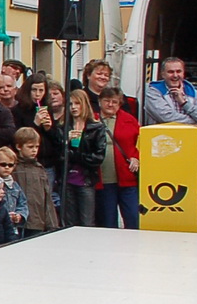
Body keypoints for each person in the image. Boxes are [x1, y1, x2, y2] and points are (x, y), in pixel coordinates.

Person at [56, 90, 105, 227]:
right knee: (69, 222)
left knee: (87, 221)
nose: (74, 107)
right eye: (70, 104)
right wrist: (66, 142)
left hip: (86, 180)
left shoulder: (96, 127)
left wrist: (76, 154)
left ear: (84, 105)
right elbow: (57, 155)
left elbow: (98, 157)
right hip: (67, 180)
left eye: (77, 103)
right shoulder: (62, 127)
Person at [93, 86, 140, 229]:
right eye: (107, 101)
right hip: (104, 178)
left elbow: (139, 144)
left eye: (115, 102)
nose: (110, 105)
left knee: (133, 218)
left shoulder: (129, 120)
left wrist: (136, 158)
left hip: (127, 177)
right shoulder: (92, 119)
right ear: (100, 101)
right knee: (108, 220)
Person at [12, 127, 57, 237]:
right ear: (19, 147)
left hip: (37, 221)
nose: (34, 150)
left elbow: (47, 198)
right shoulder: (13, 167)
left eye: (37, 147)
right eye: (30, 147)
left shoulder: (39, 169)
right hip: (18, 221)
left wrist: (52, 225)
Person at [142, 57, 197, 126]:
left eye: (178, 71)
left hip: (190, 135)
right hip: (162, 135)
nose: (175, 75)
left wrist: (184, 103)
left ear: (183, 73)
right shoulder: (153, 91)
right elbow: (166, 118)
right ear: (162, 74)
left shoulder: (193, 92)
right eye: (170, 72)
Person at [0, 147, 26, 233]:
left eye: (10, 165)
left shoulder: (15, 185)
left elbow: (22, 203)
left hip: (12, 229)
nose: (7, 167)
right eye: (3, 164)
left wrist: (19, 215)